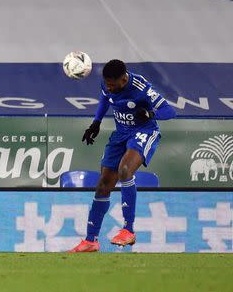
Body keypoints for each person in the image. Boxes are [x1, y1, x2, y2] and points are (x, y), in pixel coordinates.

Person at [69, 59, 176, 252]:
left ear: (123, 79)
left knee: (125, 170)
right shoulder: (107, 84)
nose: (108, 87)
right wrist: (96, 123)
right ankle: (91, 241)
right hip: (121, 134)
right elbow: (104, 99)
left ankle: (128, 231)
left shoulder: (141, 87)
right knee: (103, 184)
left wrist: (151, 114)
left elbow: (170, 111)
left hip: (144, 131)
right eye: (106, 84)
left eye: (112, 84)